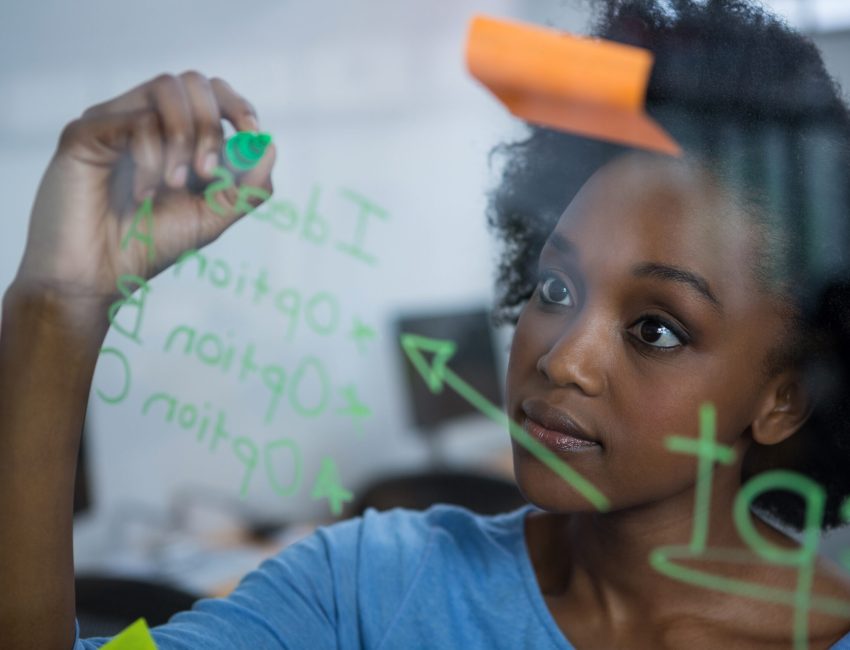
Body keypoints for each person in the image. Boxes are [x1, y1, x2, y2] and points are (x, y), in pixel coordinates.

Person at [3, 0, 850, 648]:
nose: (564, 359)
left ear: (781, 397)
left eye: (656, 330)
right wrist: (56, 310)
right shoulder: (368, 591)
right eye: (555, 288)